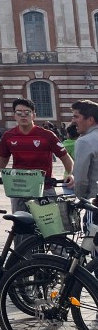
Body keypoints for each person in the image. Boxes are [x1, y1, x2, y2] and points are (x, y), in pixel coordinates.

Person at [0, 97, 74, 213]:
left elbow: (65, 158)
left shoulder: (48, 135)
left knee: (48, 223)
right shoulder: (8, 136)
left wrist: (70, 174)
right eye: (19, 113)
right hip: (19, 189)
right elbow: (2, 160)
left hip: (44, 188)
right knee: (20, 221)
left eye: (27, 112)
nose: (23, 116)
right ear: (14, 116)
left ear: (34, 115)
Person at [70, 100, 98, 253]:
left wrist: (80, 200)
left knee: (93, 249)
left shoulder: (85, 141)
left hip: (94, 203)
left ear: (90, 119)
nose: (73, 121)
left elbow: (80, 179)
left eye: (76, 116)